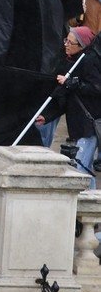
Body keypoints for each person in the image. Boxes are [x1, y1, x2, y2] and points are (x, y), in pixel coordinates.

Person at [38, 26, 101, 183]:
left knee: (81, 169)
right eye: (66, 40)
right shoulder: (69, 63)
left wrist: (72, 83)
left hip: (88, 125)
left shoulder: (88, 61)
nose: (65, 44)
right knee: (81, 168)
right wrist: (47, 117)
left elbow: (96, 87)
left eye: (70, 42)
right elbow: (64, 98)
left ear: (81, 46)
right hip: (78, 125)